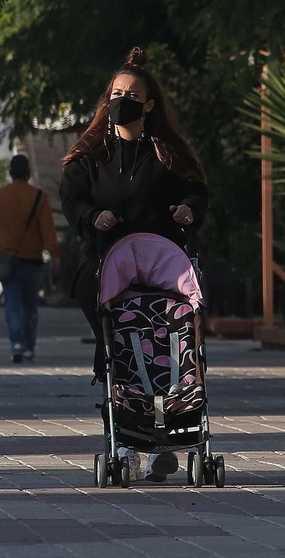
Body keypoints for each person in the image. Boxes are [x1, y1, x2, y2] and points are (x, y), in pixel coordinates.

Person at [59, 46, 208, 483]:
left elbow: (198, 191)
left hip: (163, 266)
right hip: (104, 265)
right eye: (116, 91)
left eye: (131, 93)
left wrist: (188, 209)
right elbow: (72, 201)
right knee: (117, 346)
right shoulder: (90, 156)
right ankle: (125, 440)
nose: (122, 98)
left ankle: (170, 430)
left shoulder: (167, 153)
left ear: (148, 104)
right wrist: (93, 218)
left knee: (170, 343)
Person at [0, 154, 59, 363]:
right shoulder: (39, 197)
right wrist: (54, 254)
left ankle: (16, 344)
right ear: (28, 173)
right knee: (31, 306)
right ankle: (29, 347)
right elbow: (48, 230)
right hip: (33, 260)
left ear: (10, 173)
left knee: (12, 305)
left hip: (7, 258)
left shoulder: (0, 196)